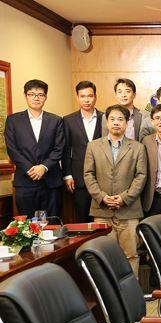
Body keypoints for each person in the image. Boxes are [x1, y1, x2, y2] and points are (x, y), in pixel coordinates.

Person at [83, 104, 147, 275]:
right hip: (101, 211)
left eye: (120, 119)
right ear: (106, 122)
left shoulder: (138, 147)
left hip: (129, 211)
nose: (116, 123)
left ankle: (130, 296)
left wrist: (124, 198)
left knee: (131, 255)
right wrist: (102, 197)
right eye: (112, 119)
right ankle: (108, 297)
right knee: (102, 255)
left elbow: (141, 176)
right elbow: (88, 175)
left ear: (127, 123)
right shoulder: (93, 146)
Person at [5, 79, 65, 218]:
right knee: (28, 228)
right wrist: (30, 169)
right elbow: (12, 149)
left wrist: (43, 167)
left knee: (52, 224)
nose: (36, 98)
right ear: (25, 96)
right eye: (32, 94)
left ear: (45, 97)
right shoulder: (13, 121)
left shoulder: (56, 120)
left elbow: (59, 148)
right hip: (25, 182)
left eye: (40, 94)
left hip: (51, 182)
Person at [62, 80, 103, 222]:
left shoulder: (105, 118)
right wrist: (67, 175)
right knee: (82, 218)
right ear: (77, 97)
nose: (87, 100)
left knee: (102, 219)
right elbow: (66, 149)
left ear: (95, 97)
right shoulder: (68, 120)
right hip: (79, 178)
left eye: (90, 96)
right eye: (83, 96)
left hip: (102, 177)